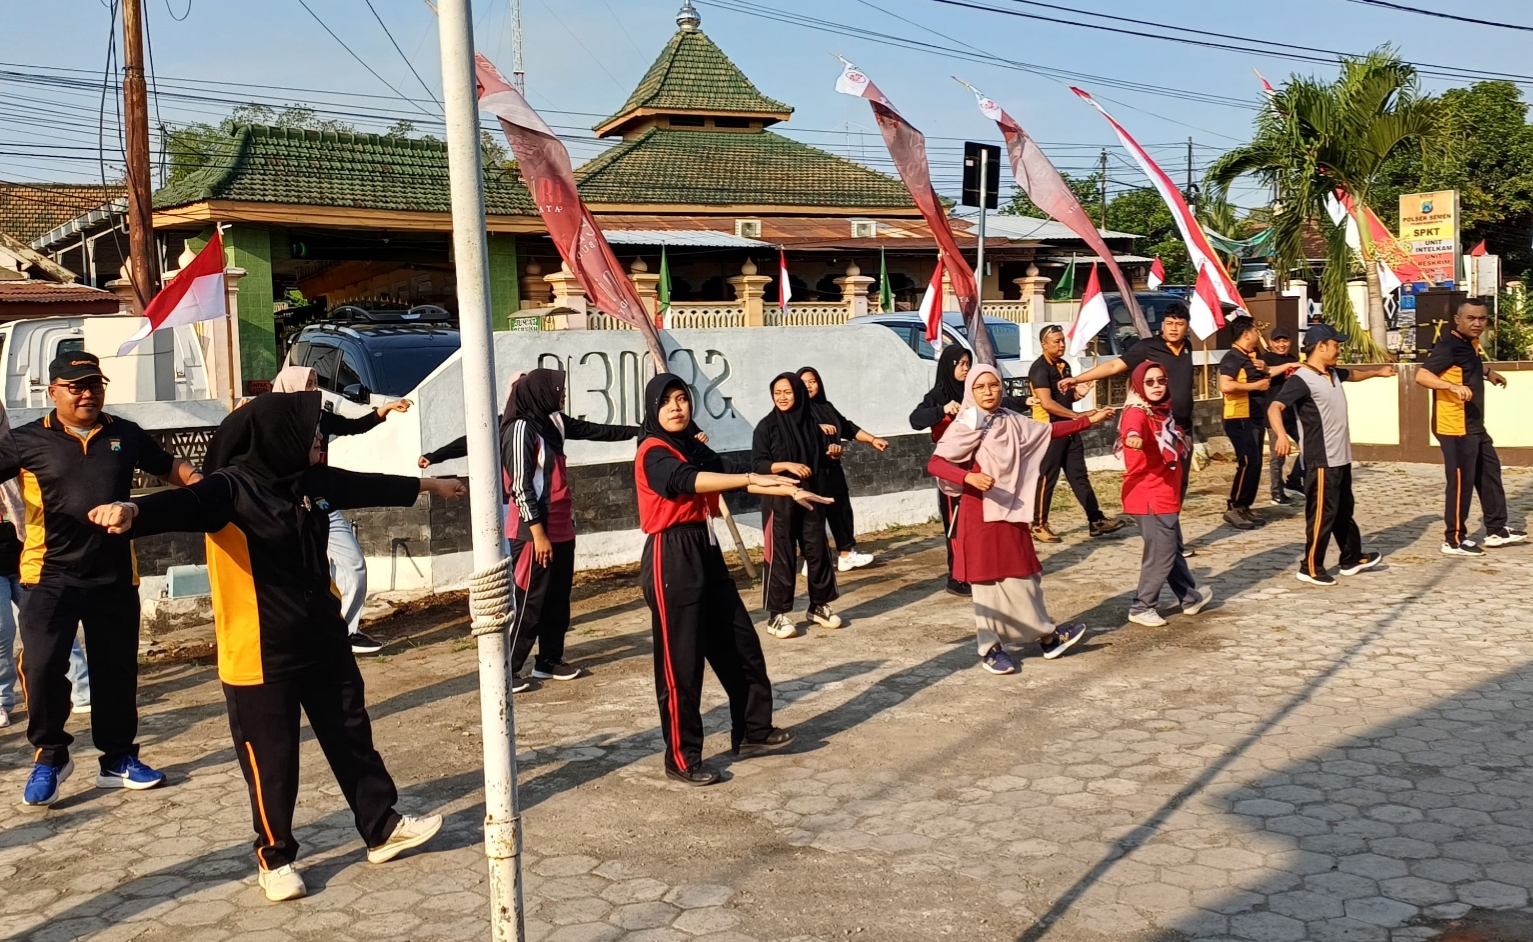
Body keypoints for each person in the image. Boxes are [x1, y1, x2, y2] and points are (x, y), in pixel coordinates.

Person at [86, 391, 466, 901]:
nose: (321, 439)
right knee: (273, 761)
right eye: (312, 432)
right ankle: (276, 857)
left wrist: (431, 485)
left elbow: (366, 485)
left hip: (322, 636)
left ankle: (382, 827)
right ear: (278, 436)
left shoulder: (309, 481)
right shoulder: (228, 488)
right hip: (260, 651)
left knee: (351, 735)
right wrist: (132, 510)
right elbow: (183, 504)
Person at [0, 352, 202, 807]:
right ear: (53, 391)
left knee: (116, 672)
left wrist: (206, 486)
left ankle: (117, 760)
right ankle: (51, 755)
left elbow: (168, 466)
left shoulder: (123, 433)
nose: (87, 394)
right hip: (49, 575)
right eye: (76, 386)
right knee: (42, 665)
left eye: (94, 384)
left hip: (113, 575)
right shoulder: (26, 440)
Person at [635, 374, 812, 785]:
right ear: (653, 409)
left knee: (740, 642)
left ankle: (753, 730)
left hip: (706, 546)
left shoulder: (688, 444)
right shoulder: (653, 450)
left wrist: (775, 478)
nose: (676, 407)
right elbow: (685, 481)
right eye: (666, 401)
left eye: (682, 399)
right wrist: (751, 480)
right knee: (682, 664)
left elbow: (724, 466)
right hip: (671, 555)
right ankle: (682, 757)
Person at [926, 364, 1107, 675]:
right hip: (979, 512)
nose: (988, 392)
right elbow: (936, 464)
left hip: (1010, 507)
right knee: (987, 583)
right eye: (980, 386)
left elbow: (1047, 431)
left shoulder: (1010, 419)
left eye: (994, 385)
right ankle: (992, 649)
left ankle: (1048, 638)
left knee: (1023, 575)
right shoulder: (967, 422)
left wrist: (1087, 420)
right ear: (971, 390)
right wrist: (968, 477)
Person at [504, 369, 639, 685]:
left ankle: (549, 660)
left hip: (561, 526)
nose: (563, 394)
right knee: (531, 601)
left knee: (558, 600)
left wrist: (640, 430)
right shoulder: (521, 429)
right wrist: (538, 534)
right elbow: (520, 486)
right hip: (534, 531)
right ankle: (508, 669)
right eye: (558, 389)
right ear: (541, 392)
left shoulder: (554, 423)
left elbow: (596, 431)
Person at [270, 365, 412, 655]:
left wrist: (385, 409)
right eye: (308, 384)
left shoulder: (319, 417)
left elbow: (353, 426)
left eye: (315, 383)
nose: (315, 390)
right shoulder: (272, 424)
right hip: (287, 512)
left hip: (322, 504)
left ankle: (346, 632)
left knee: (354, 564)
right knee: (299, 577)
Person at [1062, 305, 1198, 556]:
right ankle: (1165, 542)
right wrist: (1079, 379)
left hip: (1182, 429)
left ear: (1187, 326)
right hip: (1157, 428)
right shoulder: (1148, 347)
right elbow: (1115, 365)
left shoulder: (1187, 347)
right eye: (1169, 323)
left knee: (1179, 484)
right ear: (1162, 325)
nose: (1174, 329)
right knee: (1161, 484)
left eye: (1179, 324)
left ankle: (1172, 541)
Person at [1268, 324, 1397, 587]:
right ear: (1321, 346)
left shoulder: (1332, 373)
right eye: (1336, 345)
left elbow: (1354, 374)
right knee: (1322, 514)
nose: (1339, 350)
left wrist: (1378, 372)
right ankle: (1310, 567)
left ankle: (1351, 558)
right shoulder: (1301, 379)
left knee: (1343, 510)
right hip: (1321, 460)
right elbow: (1275, 407)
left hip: (1341, 457)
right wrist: (1281, 435)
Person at [1415, 298, 1527, 555]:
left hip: (1474, 425)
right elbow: (1422, 375)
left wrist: (1488, 373)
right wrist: (1451, 386)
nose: (1477, 323)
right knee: (1461, 483)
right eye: (1471, 318)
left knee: (1489, 473)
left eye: (1482, 318)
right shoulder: (1449, 346)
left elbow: (1466, 366)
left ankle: (1496, 530)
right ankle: (1454, 540)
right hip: (1454, 426)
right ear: (1458, 320)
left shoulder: (1469, 344)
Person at [1117, 362, 1214, 627]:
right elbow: (1132, 428)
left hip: (1164, 494)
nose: (1157, 386)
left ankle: (1190, 598)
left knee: (1170, 548)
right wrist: (1133, 437)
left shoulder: (1161, 412)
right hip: (1150, 494)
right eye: (1149, 382)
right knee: (1161, 553)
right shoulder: (1138, 412)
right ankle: (1142, 606)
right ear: (1138, 385)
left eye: (1161, 380)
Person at [754, 373, 842, 639]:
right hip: (779, 500)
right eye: (777, 393)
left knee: (818, 551)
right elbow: (757, 465)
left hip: (810, 496)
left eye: (787, 392)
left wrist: (832, 455)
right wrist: (786, 465)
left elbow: (822, 462)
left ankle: (819, 605)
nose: (781, 397)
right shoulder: (766, 427)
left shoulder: (812, 425)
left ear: (799, 394)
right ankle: (777, 615)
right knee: (782, 556)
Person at [1027, 325, 1124, 543]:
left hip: (1070, 429)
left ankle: (1096, 520)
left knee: (1079, 475)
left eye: (1063, 340)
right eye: (1056, 341)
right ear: (1044, 345)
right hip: (1049, 431)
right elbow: (1047, 403)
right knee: (1047, 478)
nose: (1061, 345)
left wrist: (1079, 394)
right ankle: (1038, 524)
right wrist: (1077, 417)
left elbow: (1065, 398)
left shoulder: (1064, 366)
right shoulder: (1040, 369)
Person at [0, 507, 91, 729]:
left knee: (57, 624)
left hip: (32, 561)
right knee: (2, 633)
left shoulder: (25, 485)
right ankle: (2, 700)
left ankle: (83, 691)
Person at [797, 366, 889, 571]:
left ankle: (847, 554)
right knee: (813, 516)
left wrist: (872, 439)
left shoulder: (826, 406)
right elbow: (794, 432)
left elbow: (847, 427)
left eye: (812, 381)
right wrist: (816, 428)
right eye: (803, 382)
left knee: (841, 511)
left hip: (832, 466)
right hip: (809, 471)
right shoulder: (794, 411)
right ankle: (812, 561)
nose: (809, 386)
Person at [1217, 318, 1300, 530]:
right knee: (1247, 462)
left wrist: (1284, 366)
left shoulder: (1251, 356)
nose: (1258, 334)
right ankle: (1234, 507)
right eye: (1255, 330)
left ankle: (1244, 506)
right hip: (1238, 417)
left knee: (1254, 463)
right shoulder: (1233, 357)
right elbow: (1225, 385)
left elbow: (1269, 372)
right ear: (1246, 334)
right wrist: (1256, 386)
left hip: (1254, 417)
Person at [1262, 327, 1305, 506]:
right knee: (1278, 456)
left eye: (1284, 341)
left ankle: (1294, 481)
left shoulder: (1293, 359)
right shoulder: (1266, 359)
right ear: (1271, 343)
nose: (1281, 344)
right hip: (1274, 415)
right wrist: (1289, 366)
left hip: (1292, 414)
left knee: (1308, 446)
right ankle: (1276, 492)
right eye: (1277, 341)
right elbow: (1268, 371)